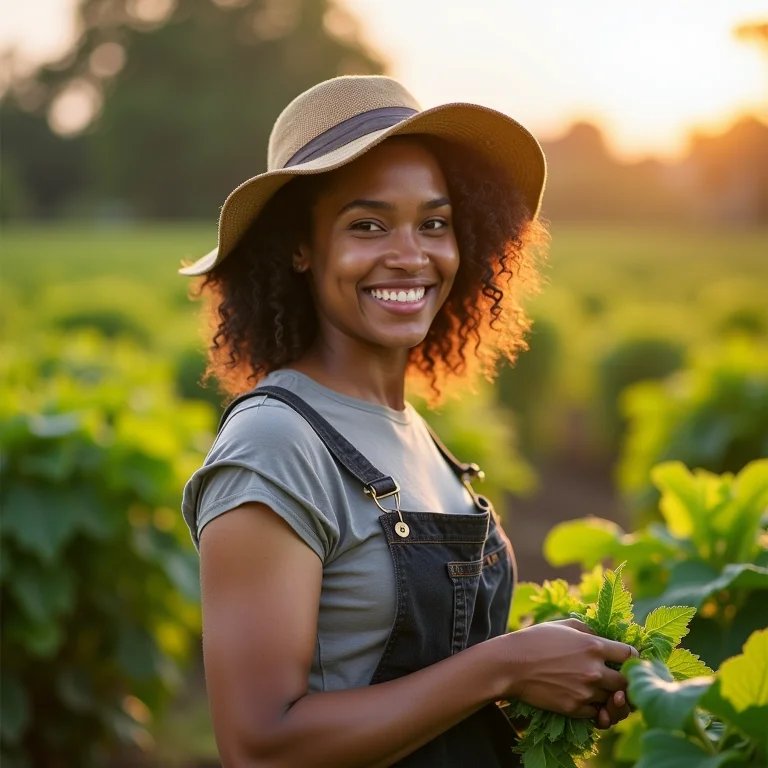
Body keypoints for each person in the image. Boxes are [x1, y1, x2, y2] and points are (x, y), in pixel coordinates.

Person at [179, 75, 635, 768]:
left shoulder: (420, 436)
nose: (410, 255)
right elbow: (260, 744)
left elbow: (429, 688)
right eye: (367, 225)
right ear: (300, 248)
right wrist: (505, 667)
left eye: (434, 223)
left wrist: (550, 672)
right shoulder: (277, 443)